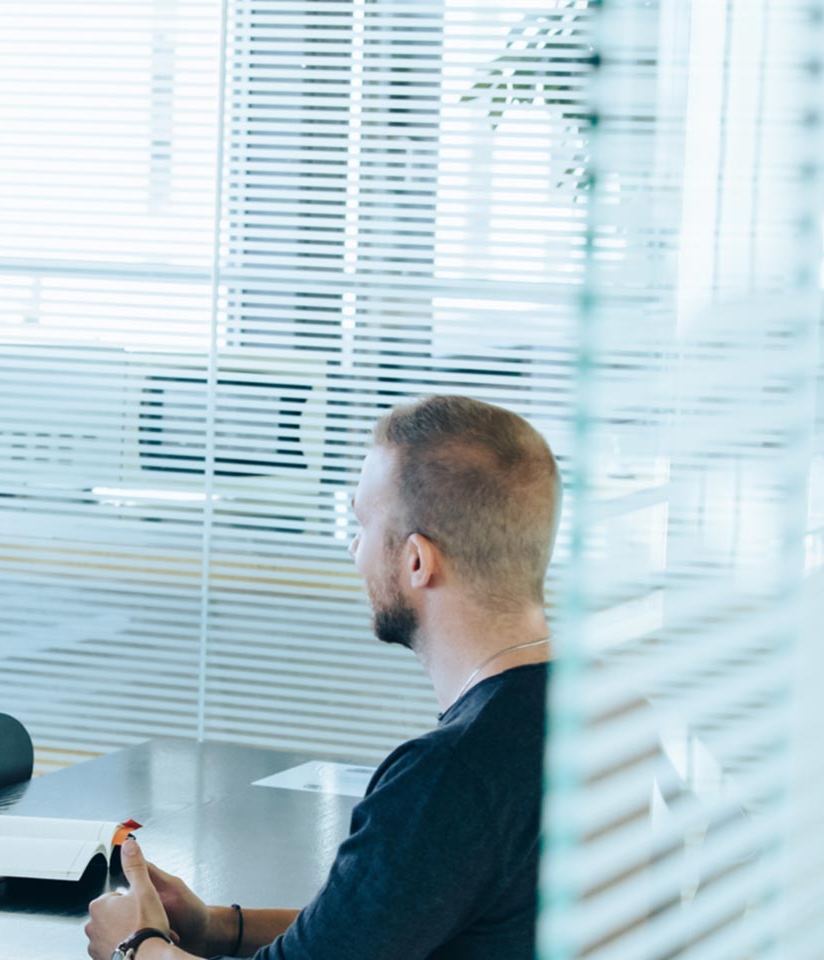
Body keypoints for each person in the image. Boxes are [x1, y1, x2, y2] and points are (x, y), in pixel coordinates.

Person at [82, 395, 555, 960]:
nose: (353, 550)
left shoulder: (450, 777)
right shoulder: (596, 714)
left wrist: (135, 946)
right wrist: (216, 927)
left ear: (416, 562)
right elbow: (379, 925)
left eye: (360, 524)